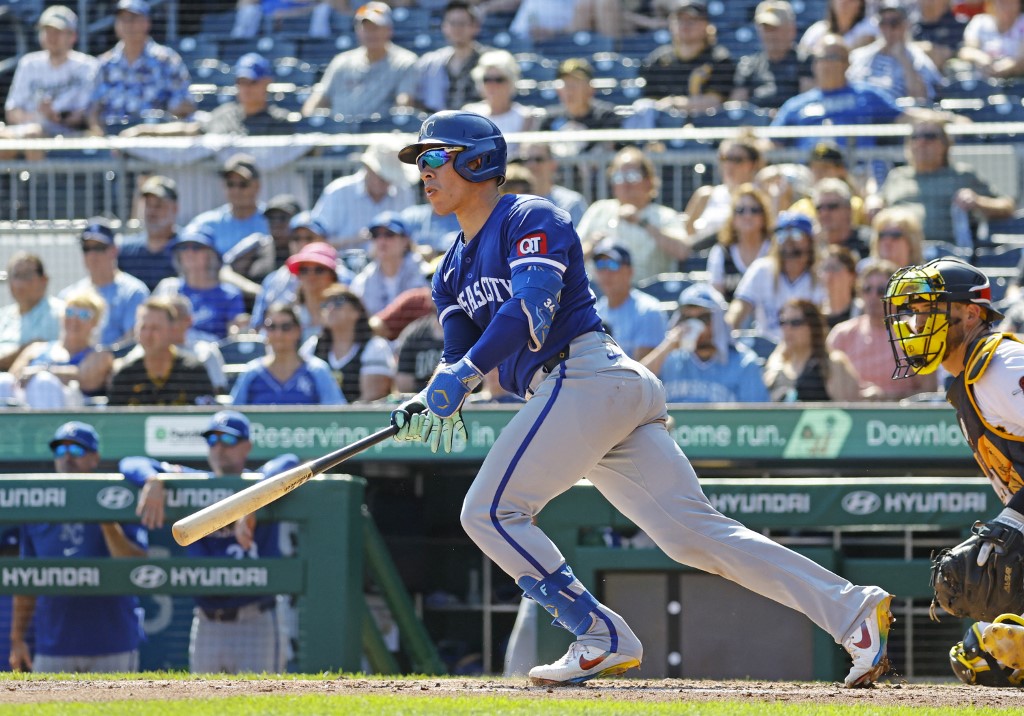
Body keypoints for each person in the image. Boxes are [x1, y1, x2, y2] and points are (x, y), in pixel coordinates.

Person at [389, 109, 894, 688]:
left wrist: (468, 372)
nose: (423, 173)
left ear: (478, 161)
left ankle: (596, 632)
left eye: (434, 158)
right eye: (420, 163)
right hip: (586, 395)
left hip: (586, 375)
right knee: (695, 537)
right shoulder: (450, 266)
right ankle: (853, 611)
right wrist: (433, 394)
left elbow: (527, 308)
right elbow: (462, 354)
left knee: (488, 513)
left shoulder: (529, 216)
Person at [881, 256, 1024, 681]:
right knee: (987, 654)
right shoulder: (969, 377)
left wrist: (1014, 518)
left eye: (929, 311)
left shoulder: (1000, 367)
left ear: (972, 314)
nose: (914, 324)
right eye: (913, 313)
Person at [120, 410, 299, 674]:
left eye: (228, 440)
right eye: (212, 440)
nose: (219, 448)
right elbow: (130, 462)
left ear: (246, 447)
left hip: (255, 616)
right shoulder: (192, 481)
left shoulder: (262, 481)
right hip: (207, 619)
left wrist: (254, 500)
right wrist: (153, 479)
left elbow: (289, 461)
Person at [9, 422, 147, 674]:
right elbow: (25, 582)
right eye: (60, 451)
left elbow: (135, 566)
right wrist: (17, 639)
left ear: (95, 458)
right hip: (54, 645)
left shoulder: (116, 498)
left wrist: (105, 519)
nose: (68, 457)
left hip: (112, 642)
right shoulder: (37, 507)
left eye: (77, 449)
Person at [876, 119, 1015, 250]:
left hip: (947, 255)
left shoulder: (961, 175)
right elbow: (878, 202)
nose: (921, 142)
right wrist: (873, 201)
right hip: (900, 255)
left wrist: (977, 201)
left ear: (945, 144)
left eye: (929, 136)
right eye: (915, 136)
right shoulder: (897, 176)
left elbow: (1007, 205)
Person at [772, 35, 923, 151]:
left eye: (832, 57)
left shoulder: (866, 95)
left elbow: (905, 117)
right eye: (820, 58)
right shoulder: (796, 104)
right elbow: (771, 143)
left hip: (859, 170)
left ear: (847, 63)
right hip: (809, 174)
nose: (825, 64)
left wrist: (940, 118)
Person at [576, 146, 690, 282]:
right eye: (618, 176)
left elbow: (683, 251)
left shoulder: (664, 215)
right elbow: (571, 258)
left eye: (631, 176)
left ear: (649, 182)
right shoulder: (599, 210)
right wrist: (592, 244)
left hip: (650, 293)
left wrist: (643, 223)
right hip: (599, 295)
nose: (624, 183)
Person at [828, 259, 937, 400]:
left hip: (899, 420)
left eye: (881, 291)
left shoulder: (917, 334)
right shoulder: (841, 335)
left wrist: (887, 397)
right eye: (867, 289)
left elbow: (929, 393)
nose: (873, 296)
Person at [642, 283, 770, 402]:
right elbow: (633, 386)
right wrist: (667, 346)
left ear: (719, 321)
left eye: (703, 318)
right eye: (687, 318)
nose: (694, 324)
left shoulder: (744, 364)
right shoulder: (668, 359)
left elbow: (757, 419)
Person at [120, 53, 292, 138]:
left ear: (266, 82)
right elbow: (190, 129)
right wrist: (146, 131)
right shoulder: (225, 113)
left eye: (252, 82)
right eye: (241, 82)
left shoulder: (281, 121)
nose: (246, 88)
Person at [88, 0, 193, 134]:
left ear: (146, 22)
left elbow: (185, 106)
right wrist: (98, 135)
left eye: (133, 19)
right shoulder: (104, 64)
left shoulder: (166, 60)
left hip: (154, 137)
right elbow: (93, 110)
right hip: (113, 137)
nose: (127, 25)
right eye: (122, 19)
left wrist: (157, 127)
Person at [301, 1, 418, 118]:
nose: (370, 33)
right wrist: (308, 120)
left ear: (389, 30)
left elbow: (404, 104)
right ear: (357, 30)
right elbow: (317, 99)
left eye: (375, 28)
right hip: (339, 132)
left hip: (380, 132)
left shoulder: (405, 62)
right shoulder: (341, 61)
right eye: (365, 28)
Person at [0, 288, 114, 408]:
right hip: (26, 405)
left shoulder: (99, 356)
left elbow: (85, 379)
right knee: (3, 380)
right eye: (69, 312)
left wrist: (41, 371)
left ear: (95, 322)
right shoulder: (36, 348)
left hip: (71, 412)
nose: (74, 320)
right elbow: (15, 376)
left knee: (44, 383)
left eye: (83, 315)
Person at [1, 6, 97, 143]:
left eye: (58, 31)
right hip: (26, 133)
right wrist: (39, 117)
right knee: (9, 136)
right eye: (47, 30)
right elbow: (11, 112)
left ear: (73, 36)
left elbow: (88, 114)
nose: (51, 36)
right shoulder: (28, 63)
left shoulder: (88, 66)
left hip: (68, 138)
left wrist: (57, 117)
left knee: (33, 135)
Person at [726, 212, 825, 341]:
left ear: (810, 240)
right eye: (781, 234)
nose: (788, 241)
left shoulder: (821, 276)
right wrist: (728, 330)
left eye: (796, 234)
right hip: (764, 352)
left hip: (807, 352)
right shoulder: (761, 269)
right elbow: (739, 307)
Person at [311, 140, 418, 250]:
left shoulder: (404, 193)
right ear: (367, 167)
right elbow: (313, 241)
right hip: (341, 263)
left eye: (389, 178)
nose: (385, 181)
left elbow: (410, 238)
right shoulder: (338, 192)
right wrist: (355, 239)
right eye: (381, 176)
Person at [230, 303, 345, 405]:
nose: (278, 334)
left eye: (286, 327)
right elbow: (233, 416)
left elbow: (337, 416)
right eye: (272, 327)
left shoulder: (317, 371)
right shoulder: (252, 372)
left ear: (298, 330)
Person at [107, 296, 216, 405]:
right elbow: (113, 419)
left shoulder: (193, 371)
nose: (148, 335)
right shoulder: (126, 375)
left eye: (155, 328)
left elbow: (206, 414)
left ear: (172, 330)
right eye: (143, 327)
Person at [60, 218, 150, 347]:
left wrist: (101, 357)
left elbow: (133, 338)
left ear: (114, 250)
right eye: (87, 248)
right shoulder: (70, 294)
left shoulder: (133, 292)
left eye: (99, 248)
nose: (92, 254)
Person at [640, 0, 736, 114]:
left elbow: (714, 102)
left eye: (692, 19)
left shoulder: (719, 59)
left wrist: (673, 103)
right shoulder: (658, 59)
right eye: (679, 19)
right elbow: (648, 98)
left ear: (706, 24)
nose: (685, 25)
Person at [301, 287, 395, 402]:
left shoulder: (375, 347)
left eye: (338, 302)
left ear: (356, 312)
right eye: (325, 304)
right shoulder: (312, 346)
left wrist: (342, 418)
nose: (330, 308)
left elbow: (372, 397)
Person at [153, 229, 246, 341]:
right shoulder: (168, 288)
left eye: (196, 248)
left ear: (211, 255)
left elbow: (233, 336)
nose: (189, 253)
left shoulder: (229, 294)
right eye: (183, 248)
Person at [763, 298, 862, 402]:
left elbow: (849, 411)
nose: (788, 328)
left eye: (796, 322)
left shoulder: (832, 364)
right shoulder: (776, 363)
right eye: (783, 322)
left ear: (813, 326)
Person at [847, 0, 942, 101]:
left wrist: (903, 59)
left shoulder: (918, 59)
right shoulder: (860, 56)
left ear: (906, 25)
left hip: (893, 115)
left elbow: (922, 98)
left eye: (894, 23)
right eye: (883, 23)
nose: (888, 29)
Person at [683, 134, 766, 248]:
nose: (729, 165)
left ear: (752, 164)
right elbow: (686, 237)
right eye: (724, 158)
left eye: (737, 160)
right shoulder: (705, 196)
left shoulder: (763, 196)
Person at [730, 0, 814, 111]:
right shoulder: (748, 65)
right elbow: (736, 108)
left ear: (791, 30)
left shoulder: (805, 61)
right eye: (765, 28)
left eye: (775, 28)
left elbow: (808, 106)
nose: (770, 35)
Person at [591, 242, 667, 360]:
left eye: (613, 264)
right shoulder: (594, 312)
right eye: (600, 265)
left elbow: (641, 374)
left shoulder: (648, 311)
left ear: (630, 271)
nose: (606, 272)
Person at [185, 154, 271, 258]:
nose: (236, 190)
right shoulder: (206, 224)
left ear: (257, 186)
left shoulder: (274, 220)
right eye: (230, 184)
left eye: (243, 184)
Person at [412, 1, 488, 114]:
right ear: (444, 27)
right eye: (452, 23)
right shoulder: (430, 62)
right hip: (441, 125)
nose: (457, 28)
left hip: (480, 124)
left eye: (462, 23)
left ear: (475, 27)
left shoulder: (489, 59)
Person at [537, 58, 621, 157]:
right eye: (565, 85)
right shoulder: (550, 118)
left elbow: (612, 151)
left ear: (590, 89)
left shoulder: (605, 116)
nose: (569, 91)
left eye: (575, 85)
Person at [350, 213, 429, 316]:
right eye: (376, 235)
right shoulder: (362, 282)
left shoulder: (426, 274)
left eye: (389, 234)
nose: (382, 241)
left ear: (405, 240)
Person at [706, 184, 774, 303]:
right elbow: (716, 301)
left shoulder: (774, 249)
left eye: (754, 210)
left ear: (764, 217)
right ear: (732, 218)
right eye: (740, 210)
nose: (747, 216)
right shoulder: (721, 253)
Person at [0, 253, 64, 372]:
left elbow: (47, 351)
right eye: (16, 275)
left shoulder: (60, 313)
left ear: (44, 280)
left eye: (27, 275)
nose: (20, 283)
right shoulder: (3, 316)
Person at [117, 175, 180, 291]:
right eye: (148, 205)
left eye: (158, 205)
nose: (152, 211)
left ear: (175, 209)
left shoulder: (188, 249)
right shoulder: (125, 251)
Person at [462, 50, 538, 146]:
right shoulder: (469, 115)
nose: (492, 85)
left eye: (499, 80)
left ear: (511, 82)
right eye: (487, 79)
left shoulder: (525, 116)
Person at [510, 143, 588, 225]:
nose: (531, 165)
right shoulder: (512, 204)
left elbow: (580, 237)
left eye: (538, 160)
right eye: (525, 160)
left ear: (553, 165)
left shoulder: (572, 203)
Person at [285, 240, 346, 339]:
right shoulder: (290, 314)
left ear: (332, 275)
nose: (311, 275)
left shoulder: (344, 312)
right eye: (304, 270)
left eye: (319, 269)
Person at [958, 0, 1024, 79]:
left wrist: (1008, 67)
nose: (1005, 5)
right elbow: (966, 51)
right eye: (1001, 2)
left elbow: (1021, 60)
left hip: (1015, 83)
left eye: (1010, 2)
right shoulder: (980, 21)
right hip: (982, 81)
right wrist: (982, 58)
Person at [811, 178, 870, 258]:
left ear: (848, 209)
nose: (824, 213)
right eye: (819, 208)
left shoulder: (868, 242)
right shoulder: (810, 248)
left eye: (832, 206)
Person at [798, 0, 877, 55]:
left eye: (851, 0)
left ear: (860, 4)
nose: (844, 2)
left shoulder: (869, 28)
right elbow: (802, 56)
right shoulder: (817, 30)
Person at [864, 207, 927, 271]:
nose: (887, 241)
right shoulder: (864, 271)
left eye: (895, 235)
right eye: (882, 235)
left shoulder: (926, 275)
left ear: (911, 242)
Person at [912, 0, 968, 71]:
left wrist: (950, 53)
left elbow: (966, 50)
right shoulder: (912, 26)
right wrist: (922, 49)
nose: (927, 2)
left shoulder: (961, 25)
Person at [819, 245, 859, 328]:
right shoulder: (815, 316)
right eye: (825, 268)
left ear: (852, 276)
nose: (829, 275)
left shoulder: (862, 311)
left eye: (835, 268)